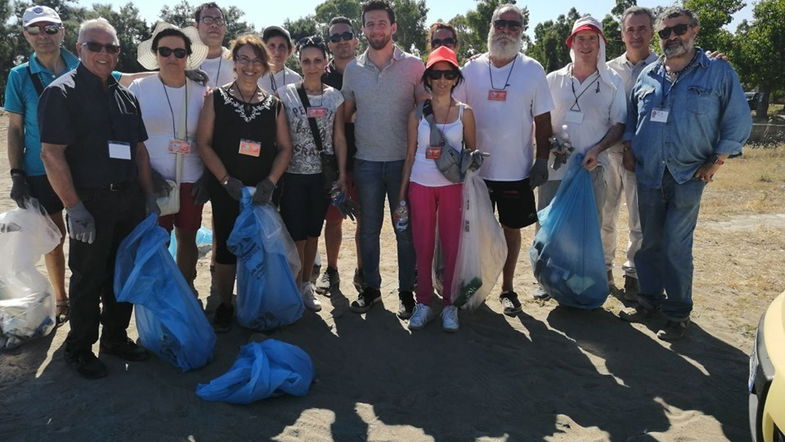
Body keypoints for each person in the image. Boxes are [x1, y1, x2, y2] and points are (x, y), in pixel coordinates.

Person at [620, 7, 751, 340]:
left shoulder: (718, 72)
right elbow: (633, 116)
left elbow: (738, 120)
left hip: (690, 175)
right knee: (649, 244)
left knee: (676, 246)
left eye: (678, 29)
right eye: (665, 33)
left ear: (694, 30)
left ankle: (677, 313)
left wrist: (717, 160)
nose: (672, 37)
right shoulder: (649, 74)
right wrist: (630, 147)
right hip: (650, 174)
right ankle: (648, 302)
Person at [38, 18, 159, 379]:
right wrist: (74, 207)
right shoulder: (61, 94)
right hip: (89, 202)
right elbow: (51, 154)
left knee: (122, 273)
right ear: (79, 49)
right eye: (95, 46)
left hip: (127, 201)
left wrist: (149, 197)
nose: (104, 54)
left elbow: (138, 151)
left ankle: (116, 338)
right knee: (89, 277)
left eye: (111, 47)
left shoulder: (124, 96)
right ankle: (79, 347)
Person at [453, 3, 554, 314]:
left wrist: (541, 161)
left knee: (512, 230)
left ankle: (508, 289)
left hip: (515, 170)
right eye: (501, 24)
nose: (507, 30)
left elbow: (543, 121)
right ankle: (475, 285)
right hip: (476, 172)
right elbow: (456, 115)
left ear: (522, 32)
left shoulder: (533, 69)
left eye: (514, 25)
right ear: (491, 26)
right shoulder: (470, 69)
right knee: (474, 231)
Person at [196, 33, 293, 332]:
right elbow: (204, 143)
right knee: (226, 246)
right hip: (228, 189)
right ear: (234, 62)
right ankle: (225, 303)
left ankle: (256, 300)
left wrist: (270, 182)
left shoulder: (274, 105)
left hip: (261, 192)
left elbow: (285, 148)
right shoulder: (216, 98)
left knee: (259, 247)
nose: (250, 67)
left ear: (264, 66)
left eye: (256, 61)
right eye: (244, 59)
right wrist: (225, 180)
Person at [341, 0, 428, 318]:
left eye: (381, 23)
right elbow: (345, 116)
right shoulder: (353, 69)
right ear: (362, 29)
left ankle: (407, 293)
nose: (375, 29)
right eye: (369, 23)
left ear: (393, 27)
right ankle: (371, 290)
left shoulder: (414, 65)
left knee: (404, 232)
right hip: (366, 163)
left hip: (404, 165)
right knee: (367, 231)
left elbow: (424, 111)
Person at [533, 15, 627, 299]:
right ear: (571, 43)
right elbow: (541, 119)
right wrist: (548, 145)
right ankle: (546, 282)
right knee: (548, 225)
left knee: (585, 228)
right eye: (580, 39)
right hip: (555, 167)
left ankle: (577, 282)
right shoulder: (553, 80)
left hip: (591, 168)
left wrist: (597, 149)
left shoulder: (612, 82)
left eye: (592, 39)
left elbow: (619, 125)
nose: (585, 45)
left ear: (600, 44)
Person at [398, 46, 476, 332]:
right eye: (436, 74)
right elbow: (409, 154)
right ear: (427, 78)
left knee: (452, 244)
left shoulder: (465, 113)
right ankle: (424, 302)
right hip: (420, 184)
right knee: (423, 245)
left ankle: (450, 304)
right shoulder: (416, 114)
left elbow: (471, 152)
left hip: (452, 186)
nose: (442, 79)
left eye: (448, 73)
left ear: (456, 78)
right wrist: (400, 196)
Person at [5, 6, 74, 325]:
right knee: (54, 236)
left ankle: (92, 292)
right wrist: (17, 174)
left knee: (90, 234)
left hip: (83, 167)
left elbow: (122, 78)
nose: (43, 36)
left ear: (62, 32)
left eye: (50, 29)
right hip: (39, 169)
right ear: (25, 35)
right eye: (35, 30)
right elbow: (16, 128)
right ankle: (62, 299)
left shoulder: (82, 65)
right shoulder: (19, 75)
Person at [129, 23, 209, 291]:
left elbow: (212, 139)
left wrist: (207, 177)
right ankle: (161, 292)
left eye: (179, 52)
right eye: (165, 51)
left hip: (191, 179)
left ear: (187, 56)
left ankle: (185, 289)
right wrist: (147, 177)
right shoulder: (139, 88)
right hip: (152, 179)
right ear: (155, 54)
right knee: (157, 239)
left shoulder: (202, 92)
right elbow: (129, 137)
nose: (172, 58)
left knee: (188, 237)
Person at [277, 36, 349, 312]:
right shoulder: (284, 94)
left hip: (321, 177)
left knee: (311, 234)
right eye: (306, 61)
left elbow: (339, 138)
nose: (312, 66)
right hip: (292, 175)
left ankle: (306, 284)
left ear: (325, 62)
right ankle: (293, 285)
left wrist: (341, 175)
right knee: (294, 234)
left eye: (317, 60)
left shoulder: (335, 97)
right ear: (300, 62)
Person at [603, 6, 659, 300]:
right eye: (630, 29)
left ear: (652, 31)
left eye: (642, 29)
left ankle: (634, 273)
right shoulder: (609, 68)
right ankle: (603, 269)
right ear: (622, 33)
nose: (636, 35)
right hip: (608, 153)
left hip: (642, 157)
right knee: (605, 215)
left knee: (639, 218)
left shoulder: (663, 68)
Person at [316, 16, 361, 296]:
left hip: (368, 158)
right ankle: (331, 270)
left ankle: (363, 270)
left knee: (365, 221)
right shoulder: (321, 76)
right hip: (333, 163)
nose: (342, 40)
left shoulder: (368, 71)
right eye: (335, 37)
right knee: (333, 219)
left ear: (356, 39)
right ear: (329, 44)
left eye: (346, 35)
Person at [194, 2, 235, 88]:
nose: (214, 25)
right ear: (196, 26)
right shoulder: (183, 61)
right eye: (207, 20)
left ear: (225, 28)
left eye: (218, 20)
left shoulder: (237, 61)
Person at [259, 26, 302, 94]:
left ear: (289, 50)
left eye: (281, 47)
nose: (277, 52)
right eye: (272, 46)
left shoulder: (296, 79)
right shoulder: (255, 77)